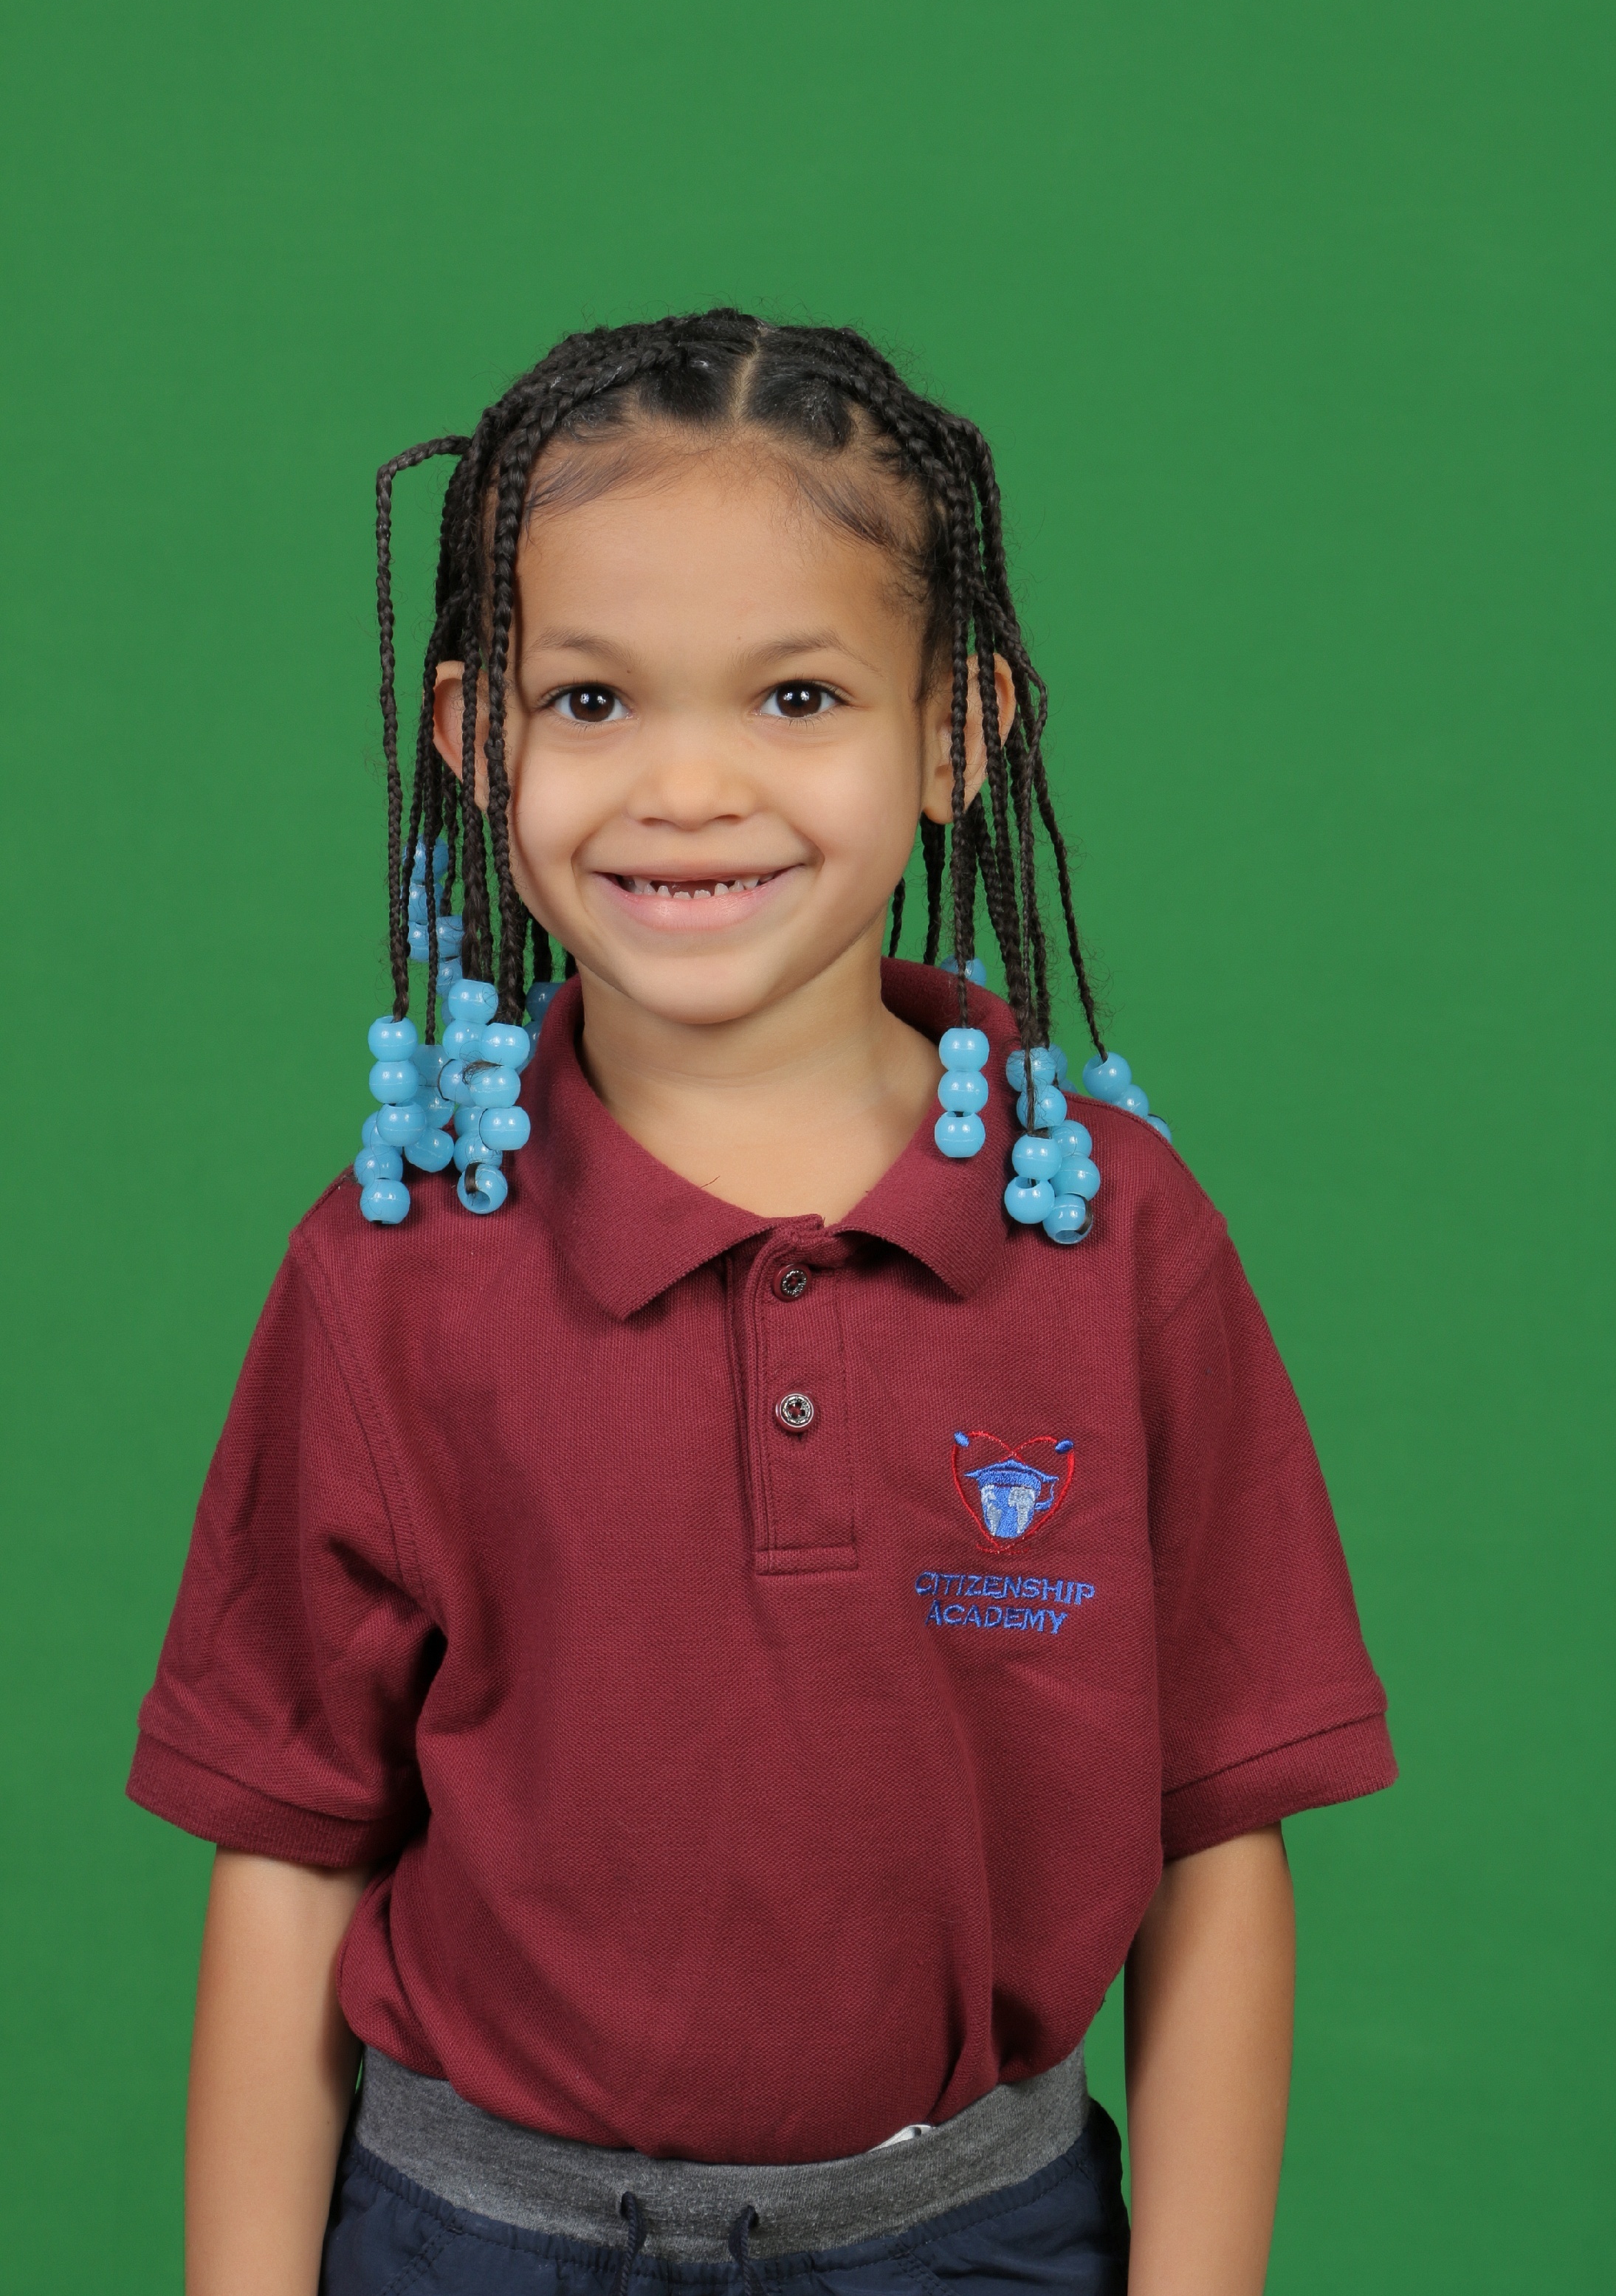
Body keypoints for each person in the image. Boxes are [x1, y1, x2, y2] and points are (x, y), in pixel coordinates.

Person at [128, 311, 1395, 2296]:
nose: (691, 785)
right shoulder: (389, 1268)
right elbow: (292, 1855)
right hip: (476, 2244)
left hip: (974, 2242)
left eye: (799, 695)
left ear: (957, 734)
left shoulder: (1116, 1237)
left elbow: (1216, 1841)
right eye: (593, 699)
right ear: (476, 739)